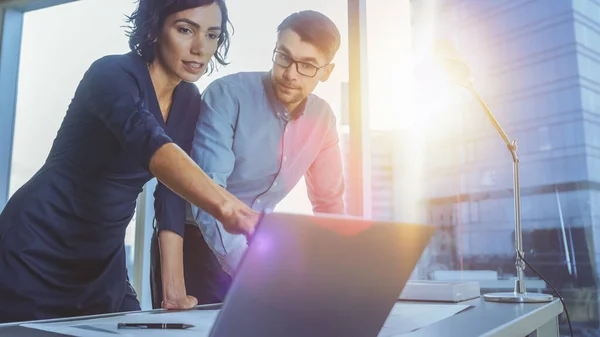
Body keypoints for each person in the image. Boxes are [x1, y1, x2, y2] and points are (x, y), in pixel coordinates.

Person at [0, 0, 258, 324]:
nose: (199, 48)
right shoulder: (110, 73)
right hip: (36, 246)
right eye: (185, 30)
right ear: (153, 27)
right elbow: (149, 141)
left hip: (102, 260)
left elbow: (172, 193)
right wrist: (228, 208)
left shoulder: (189, 99)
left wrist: (174, 289)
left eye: (211, 35)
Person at [150, 10, 345, 307]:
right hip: (195, 244)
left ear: (326, 72)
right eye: (284, 56)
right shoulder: (227, 95)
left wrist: (338, 268)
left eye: (307, 66)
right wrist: (255, 271)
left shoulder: (323, 119)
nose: (291, 74)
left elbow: (329, 203)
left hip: (258, 249)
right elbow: (211, 193)